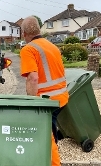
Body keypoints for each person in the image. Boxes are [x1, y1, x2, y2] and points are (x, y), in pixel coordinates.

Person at [20, 16, 69, 166]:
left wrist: (31, 104)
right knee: (51, 131)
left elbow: (33, 78)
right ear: (38, 29)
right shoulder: (51, 46)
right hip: (62, 99)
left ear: (24, 33)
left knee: (46, 138)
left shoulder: (29, 49)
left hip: (47, 102)